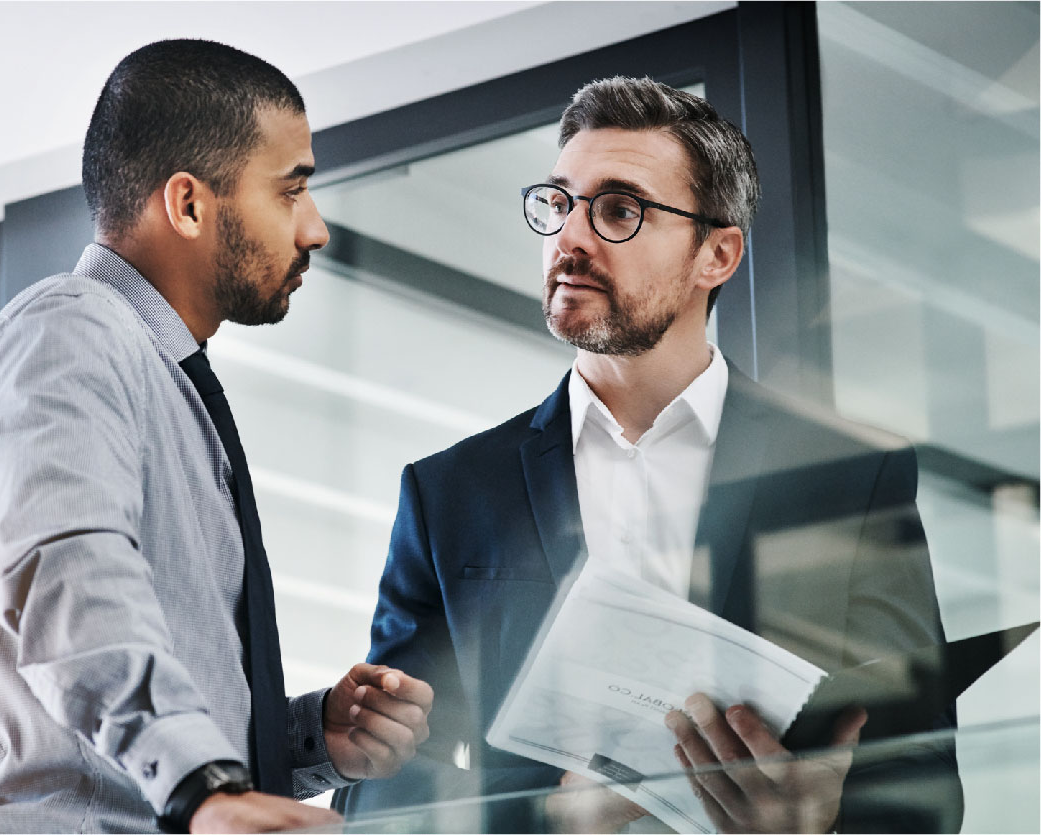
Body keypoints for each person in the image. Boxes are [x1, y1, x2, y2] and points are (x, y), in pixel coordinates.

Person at [334, 76, 961, 833]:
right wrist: (556, 822)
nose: (569, 237)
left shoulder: (848, 476)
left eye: (619, 210)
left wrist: (817, 824)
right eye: (559, 203)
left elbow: (925, 785)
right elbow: (382, 786)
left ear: (717, 255)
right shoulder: (451, 493)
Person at [0, 39, 433, 834]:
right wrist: (203, 785)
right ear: (189, 204)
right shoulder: (70, 330)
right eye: (291, 191)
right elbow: (68, 574)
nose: (315, 229)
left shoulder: (168, 384)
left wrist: (309, 737)